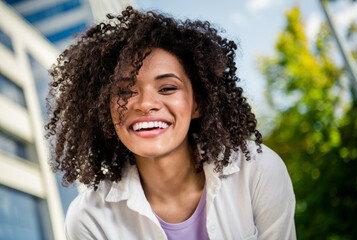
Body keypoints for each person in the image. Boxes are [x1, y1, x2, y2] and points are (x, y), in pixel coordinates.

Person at [46, 6, 296, 240]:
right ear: (105, 110)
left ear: (197, 103)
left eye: (167, 88)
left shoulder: (258, 171)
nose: (145, 104)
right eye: (124, 92)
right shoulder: (88, 219)